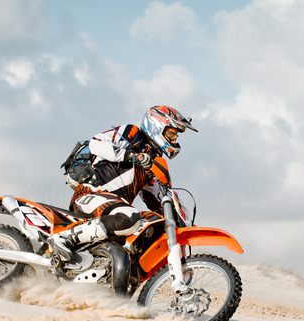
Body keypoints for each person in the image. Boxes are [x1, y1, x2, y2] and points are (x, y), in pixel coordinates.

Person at [48, 105, 197, 262]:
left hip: (112, 207)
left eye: (176, 137)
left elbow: (155, 200)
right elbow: (96, 143)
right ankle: (63, 238)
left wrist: (177, 219)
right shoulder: (132, 134)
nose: (174, 140)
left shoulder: (151, 164)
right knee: (130, 216)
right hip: (90, 193)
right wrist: (132, 155)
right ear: (157, 126)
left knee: (152, 223)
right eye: (171, 134)